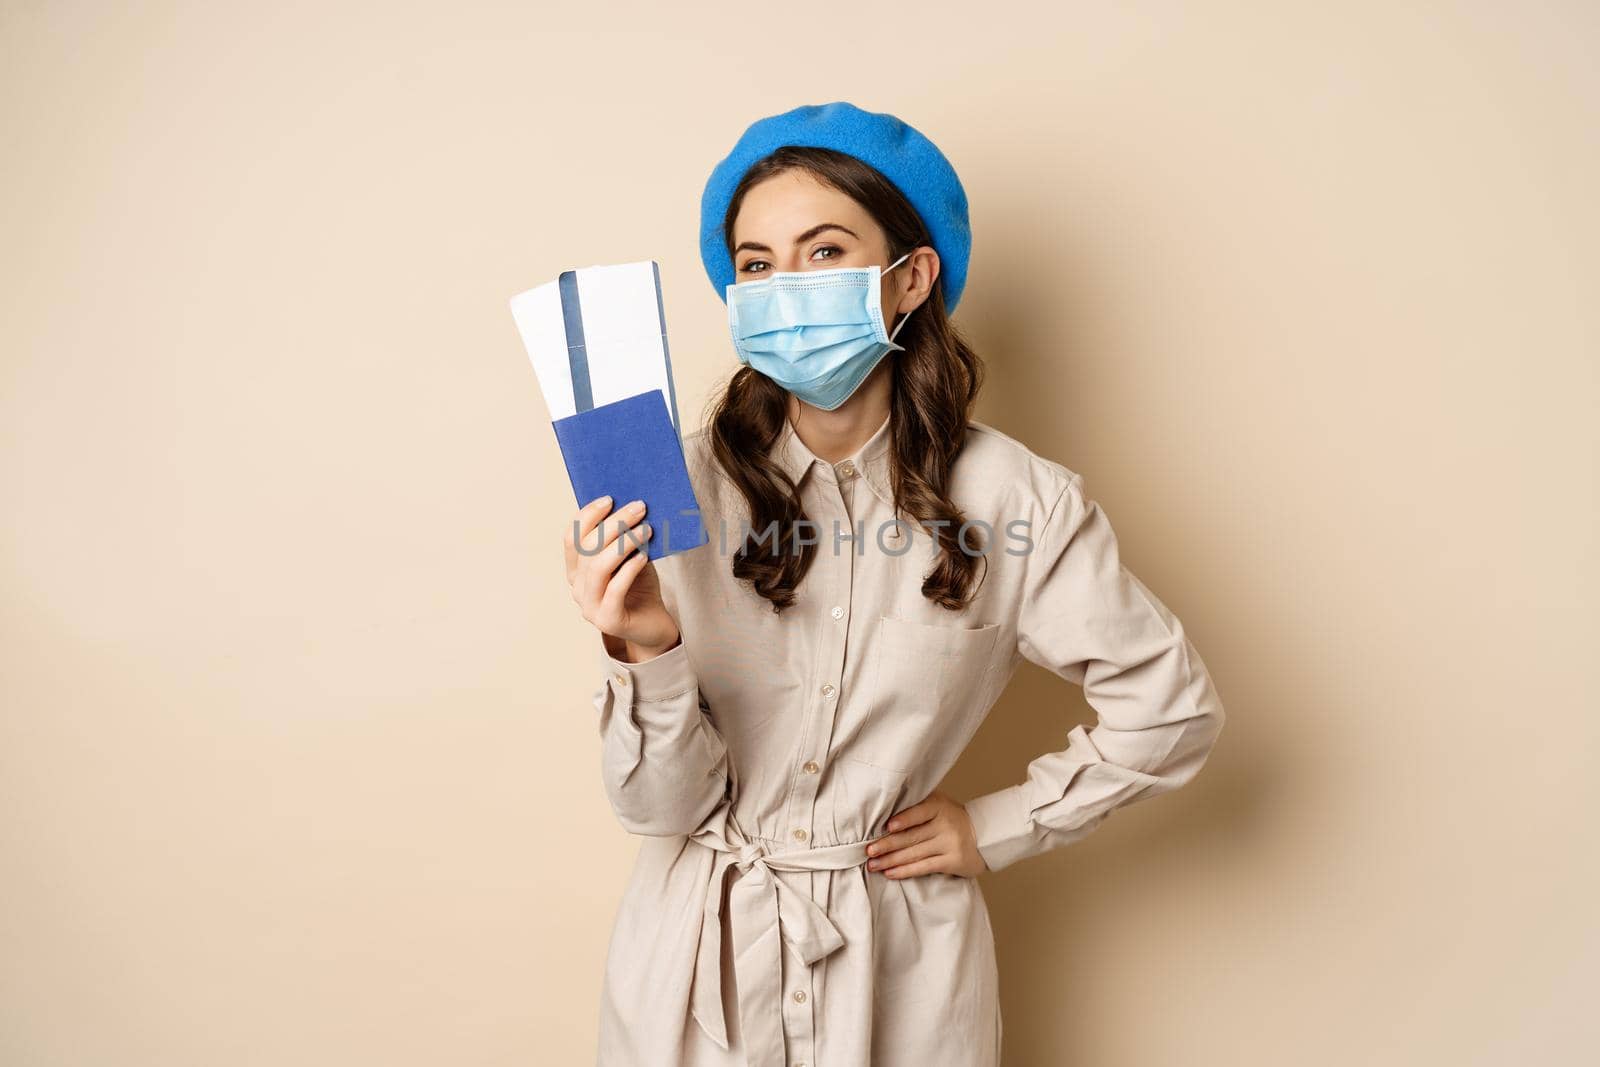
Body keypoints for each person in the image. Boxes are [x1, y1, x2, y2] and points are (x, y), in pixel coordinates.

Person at [561, 101, 1226, 1067]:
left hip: (902, 974)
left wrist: (998, 826)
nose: (786, 287)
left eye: (824, 252)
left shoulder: (1015, 497)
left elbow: (1171, 709)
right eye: (757, 264)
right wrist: (646, 646)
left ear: (909, 277)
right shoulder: (671, 481)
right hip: (695, 973)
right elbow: (660, 810)